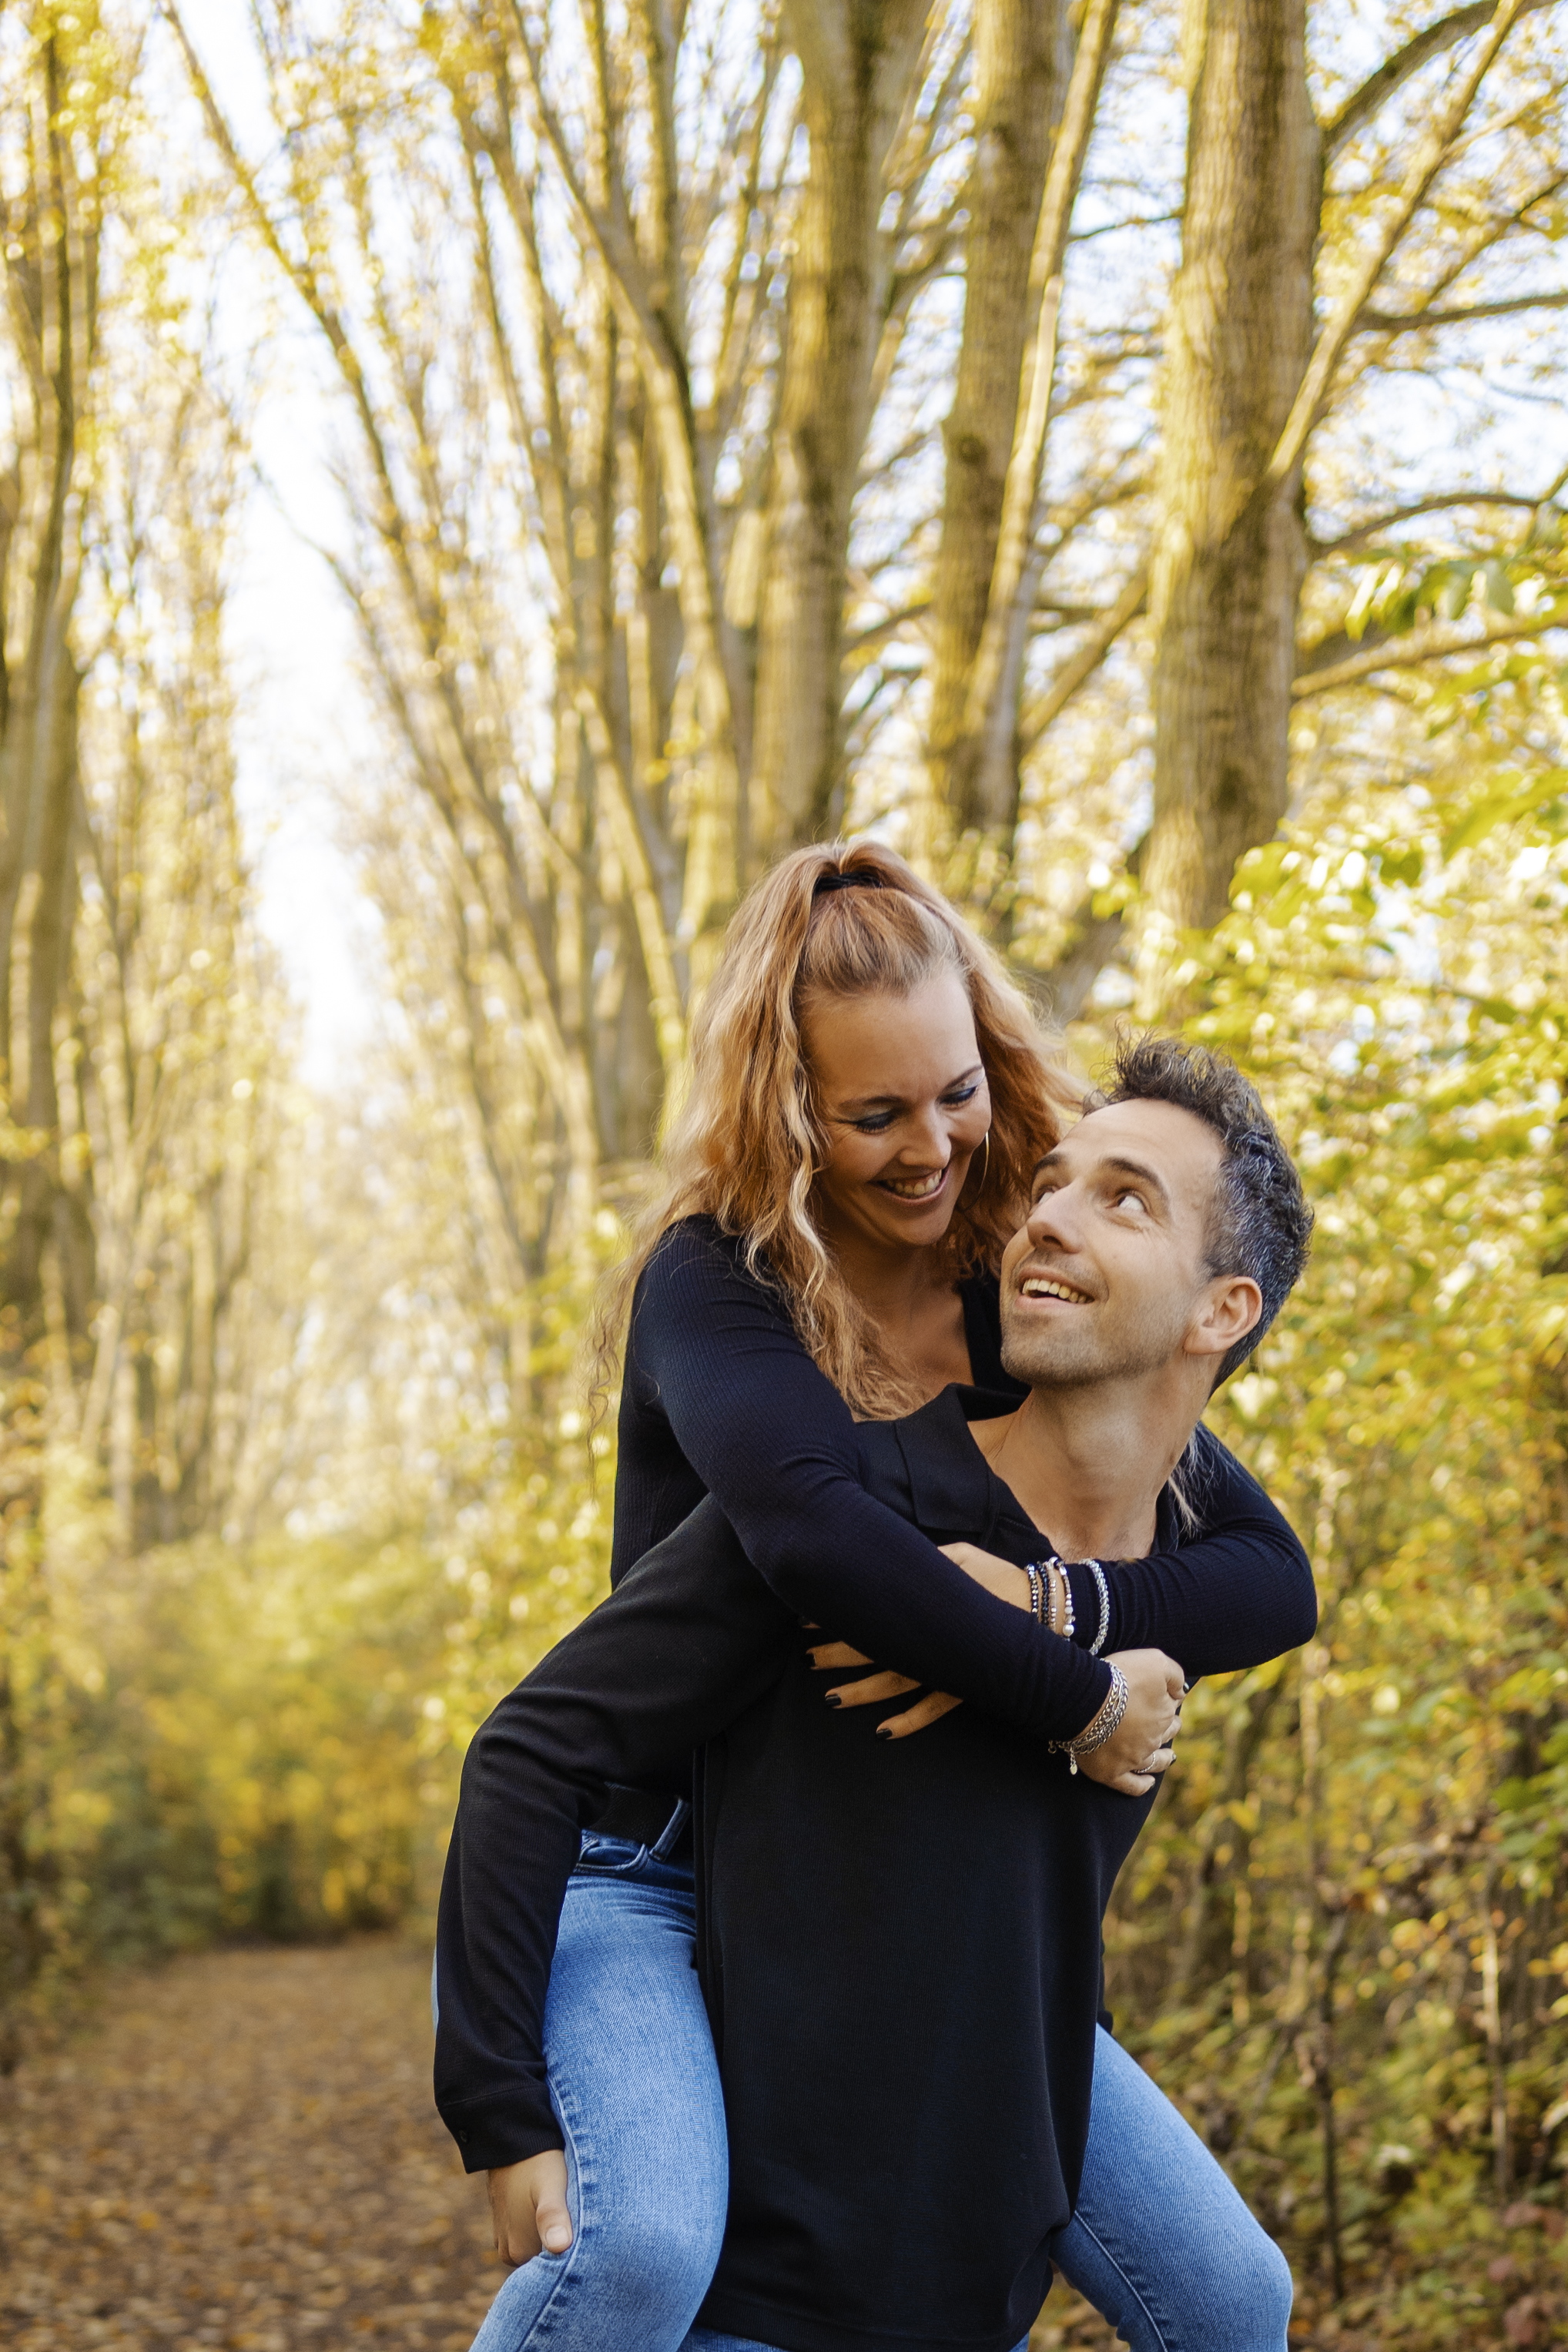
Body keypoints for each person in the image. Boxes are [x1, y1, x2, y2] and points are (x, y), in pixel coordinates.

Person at [435, 847, 1315, 2350]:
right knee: (643, 2249)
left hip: (874, 1880)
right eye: (874, 1115)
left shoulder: (1009, 1295)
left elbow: (1264, 1572)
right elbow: (817, 1539)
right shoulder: (719, 1284)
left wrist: (1046, 1607)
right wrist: (1075, 1699)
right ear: (793, 1107)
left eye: (957, 1094)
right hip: (653, 1856)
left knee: (1232, 2294)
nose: (932, 1146)